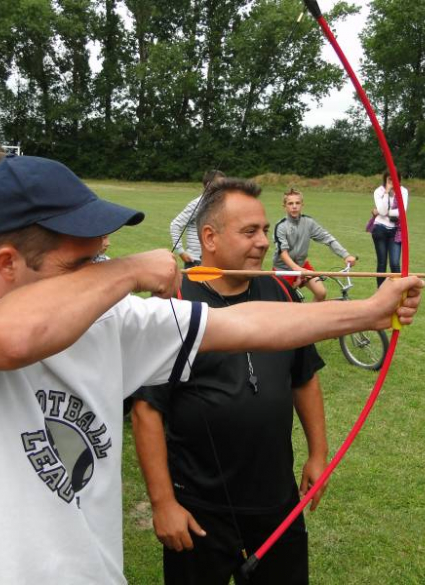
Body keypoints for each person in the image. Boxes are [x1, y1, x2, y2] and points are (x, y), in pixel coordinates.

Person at [0, 155, 424, 584]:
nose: (101, 267)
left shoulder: (107, 320)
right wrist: (128, 269)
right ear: (5, 264)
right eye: (83, 262)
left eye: (103, 255)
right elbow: (13, 338)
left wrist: (367, 312)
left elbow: (245, 324)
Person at [133, 178, 329, 585]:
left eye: (263, 229)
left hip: (277, 500)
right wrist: (163, 503)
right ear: (210, 237)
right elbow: (146, 409)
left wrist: (318, 453)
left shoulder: (279, 290)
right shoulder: (174, 301)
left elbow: (304, 377)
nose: (262, 242)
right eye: (249, 232)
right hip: (199, 508)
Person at [272, 188, 357, 302]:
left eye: (297, 203)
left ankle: (309, 317)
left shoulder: (308, 222)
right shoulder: (281, 226)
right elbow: (283, 253)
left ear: (302, 205)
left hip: (302, 265)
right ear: (285, 206)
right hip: (284, 269)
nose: (294, 206)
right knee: (287, 302)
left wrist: (346, 255)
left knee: (321, 293)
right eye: (290, 203)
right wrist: (297, 270)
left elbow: (328, 238)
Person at [170, 169, 225, 268]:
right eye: (220, 185)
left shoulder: (221, 205)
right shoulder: (197, 204)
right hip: (195, 261)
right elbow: (175, 225)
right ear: (209, 185)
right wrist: (181, 251)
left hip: (214, 261)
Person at [371, 171, 409, 288]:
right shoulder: (379, 191)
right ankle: (380, 293)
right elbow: (382, 211)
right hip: (380, 229)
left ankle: (397, 291)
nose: (391, 183)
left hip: (396, 231)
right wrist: (386, 193)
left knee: (395, 263)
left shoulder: (403, 191)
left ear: (399, 180)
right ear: (385, 180)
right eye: (389, 180)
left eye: (394, 180)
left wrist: (382, 212)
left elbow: (401, 212)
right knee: (382, 263)